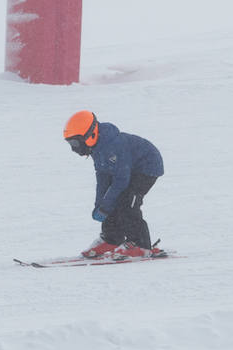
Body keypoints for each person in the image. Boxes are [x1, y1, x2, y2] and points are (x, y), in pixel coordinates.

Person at [63, 110, 165, 258]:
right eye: (70, 143)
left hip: (147, 167)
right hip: (126, 170)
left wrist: (106, 204)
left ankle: (141, 245)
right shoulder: (96, 147)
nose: (74, 148)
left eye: (75, 143)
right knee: (111, 200)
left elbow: (121, 180)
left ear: (90, 135)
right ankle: (111, 239)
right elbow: (102, 176)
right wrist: (100, 204)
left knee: (127, 201)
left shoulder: (112, 147)